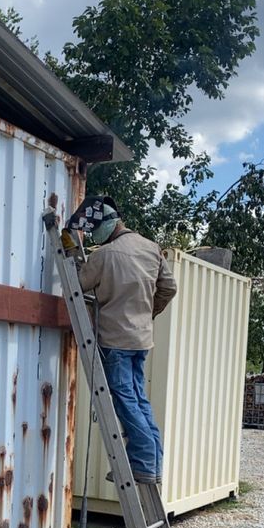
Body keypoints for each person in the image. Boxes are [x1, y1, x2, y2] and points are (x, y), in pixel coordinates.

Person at [76, 203, 177, 486]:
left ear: (106, 225)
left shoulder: (105, 254)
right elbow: (169, 288)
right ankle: (152, 463)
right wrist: (149, 312)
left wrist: (75, 260)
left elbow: (78, 284)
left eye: (94, 230)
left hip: (115, 339)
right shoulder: (152, 249)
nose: (94, 236)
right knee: (139, 400)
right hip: (140, 339)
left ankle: (142, 462)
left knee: (125, 400)